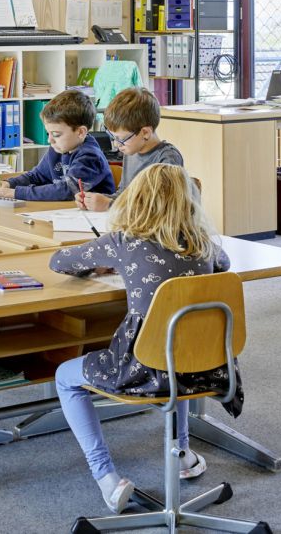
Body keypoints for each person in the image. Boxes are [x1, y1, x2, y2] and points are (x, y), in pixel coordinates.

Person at [50, 164, 238, 513]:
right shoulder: (204, 244)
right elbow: (223, 265)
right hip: (206, 367)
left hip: (139, 370)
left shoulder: (124, 242)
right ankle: (181, 454)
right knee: (177, 348)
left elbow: (59, 261)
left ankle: (107, 477)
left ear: (135, 200)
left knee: (65, 377)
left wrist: (108, 263)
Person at [0, 89, 115, 201]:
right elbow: (37, 176)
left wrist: (16, 193)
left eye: (56, 134)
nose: (50, 140)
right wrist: (9, 184)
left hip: (90, 219)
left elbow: (66, 191)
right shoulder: (59, 148)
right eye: (48, 133)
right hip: (63, 213)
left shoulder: (90, 157)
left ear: (80, 132)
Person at [76, 87, 183, 212]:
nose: (116, 144)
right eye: (113, 137)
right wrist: (93, 200)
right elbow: (123, 196)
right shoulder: (131, 151)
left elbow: (159, 209)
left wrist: (110, 205)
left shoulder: (167, 159)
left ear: (145, 133)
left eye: (121, 138)